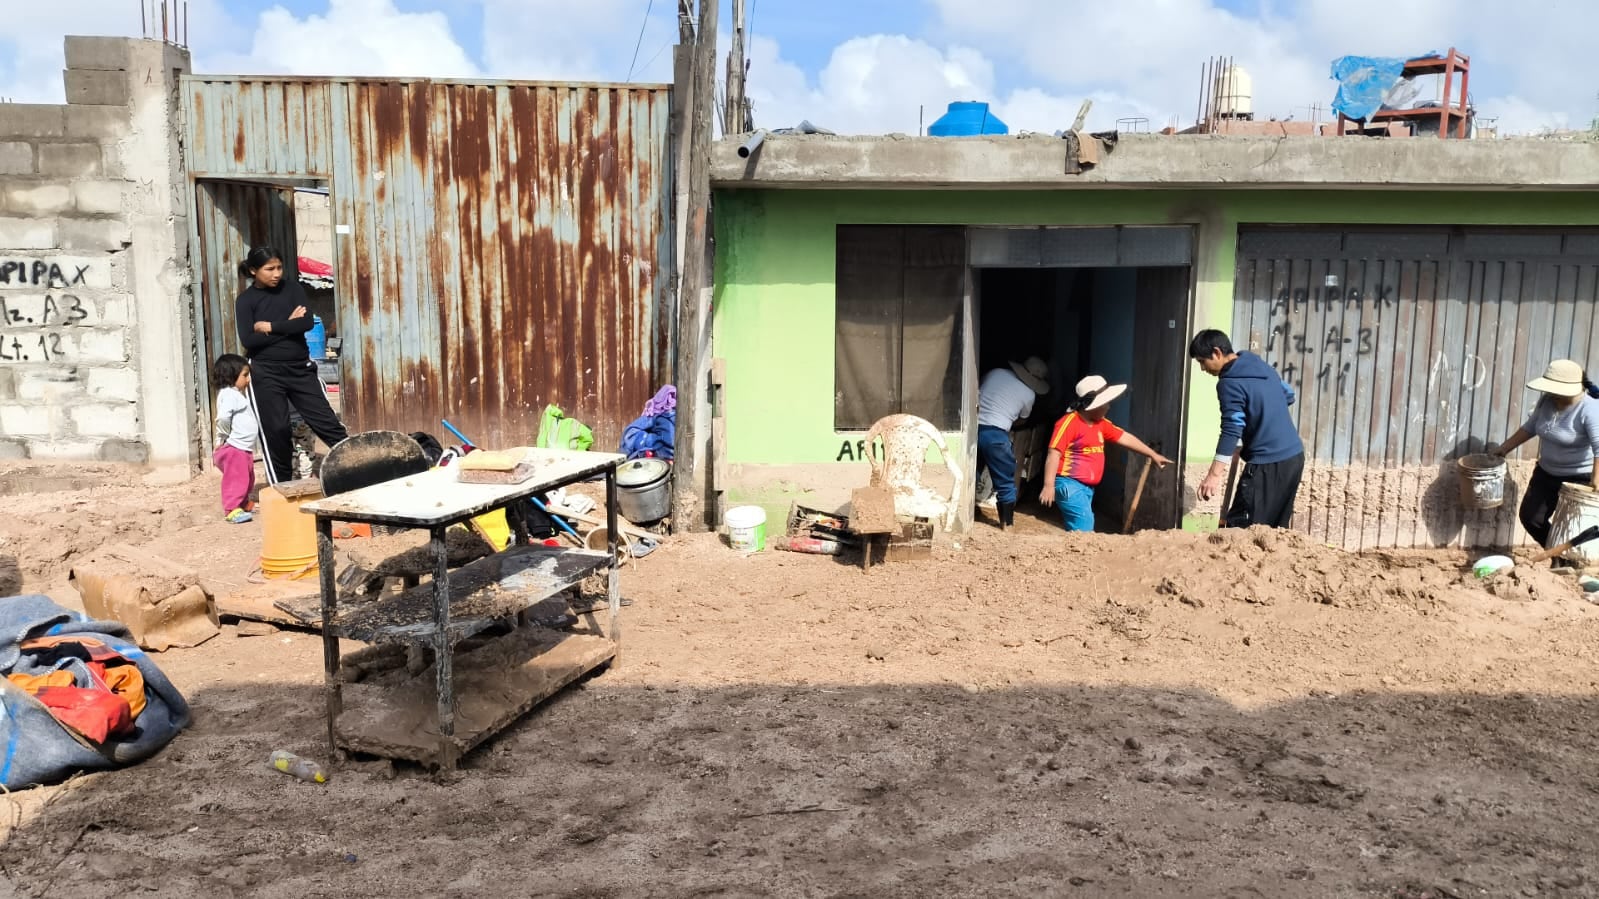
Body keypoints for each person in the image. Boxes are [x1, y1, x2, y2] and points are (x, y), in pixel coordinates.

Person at [235, 246, 348, 484]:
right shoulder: (246, 301)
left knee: (327, 423)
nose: (276, 273)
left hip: (300, 369)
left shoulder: (293, 289)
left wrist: (270, 327)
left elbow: (306, 323)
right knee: (276, 430)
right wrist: (288, 323)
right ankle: (282, 486)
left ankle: (359, 468)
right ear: (254, 270)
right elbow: (249, 340)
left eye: (279, 267)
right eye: (269, 269)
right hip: (265, 372)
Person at [1189, 329, 1304, 529]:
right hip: (1294, 458)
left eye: (1201, 361)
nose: (1202, 368)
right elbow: (1288, 394)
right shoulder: (1260, 366)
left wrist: (1214, 475)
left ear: (1217, 353)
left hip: (1268, 463)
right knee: (1273, 530)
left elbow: (1232, 428)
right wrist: (1260, 429)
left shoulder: (1229, 382)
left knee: (1240, 529)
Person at [1489, 359, 1599, 551]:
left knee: (1571, 527)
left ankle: (1568, 561)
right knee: (1531, 518)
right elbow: (1531, 427)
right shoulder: (1548, 400)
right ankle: (1557, 555)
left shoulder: (1590, 409)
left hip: (1577, 479)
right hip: (1546, 473)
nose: (1551, 394)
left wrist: (1596, 480)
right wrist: (1504, 448)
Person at [1039, 375, 1171, 532]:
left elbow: (1125, 438)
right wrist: (1048, 485)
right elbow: (1054, 454)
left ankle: (1074, 554)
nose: (1108, 407)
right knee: (1085, 524)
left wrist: (1152, 454)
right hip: (1069, 485)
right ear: (1093, 405)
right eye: (1105, 403)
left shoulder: (1101, 424)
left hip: (1087, 489)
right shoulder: (1068, 423)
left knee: (1078, 529)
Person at [976, 356, 1050, 529]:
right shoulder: (1029, 394)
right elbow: (1022, 420)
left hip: (973, 429)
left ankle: (967, 511)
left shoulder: (995, 373)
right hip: (996, 435)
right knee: (1005, 482)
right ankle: (1006, 524)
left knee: (972, 472)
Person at [212, 354, 257, 524]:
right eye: (245, 375)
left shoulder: (235, 394)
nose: (248, 379)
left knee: (248, 477)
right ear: (231, 376)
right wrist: (221, 439)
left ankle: (243, 504)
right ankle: (232, 509)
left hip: (243, 447)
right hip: (235, 447)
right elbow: (223, 418)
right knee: (236, 479)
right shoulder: (229, 394)